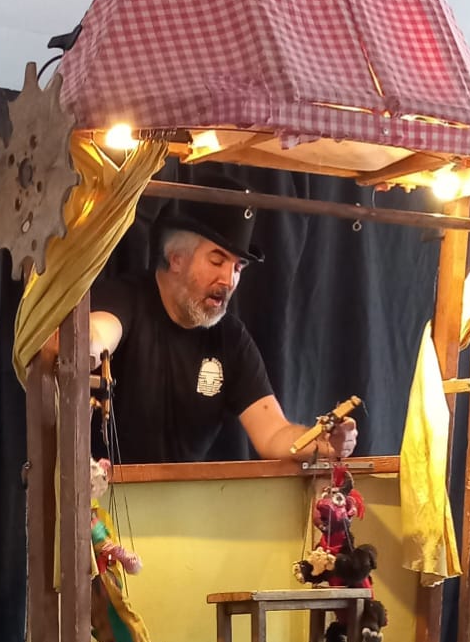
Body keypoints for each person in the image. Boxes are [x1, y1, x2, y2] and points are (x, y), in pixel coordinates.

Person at [89, 172, 358, 465]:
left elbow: (272, 434)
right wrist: (90, 343)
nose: (228, 280)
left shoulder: (231, 337)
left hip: (189, 492)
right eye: (217, 261)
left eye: (238, 268)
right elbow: (100, 331)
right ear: (177, 258)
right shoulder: (125, 298)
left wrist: (318, 441)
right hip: (103, 490)